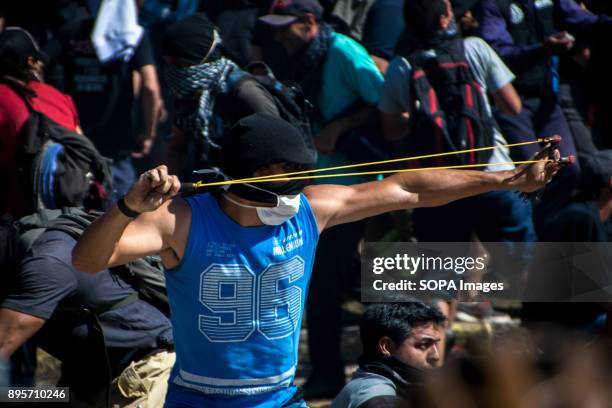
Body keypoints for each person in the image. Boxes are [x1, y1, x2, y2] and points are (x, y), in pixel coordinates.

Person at [72, 112, 561, 407]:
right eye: (283, 174)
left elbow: (407, 188)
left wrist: (505, 180)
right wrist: (128, 207)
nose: (296, 186)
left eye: (300, 173)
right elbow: (88, 259)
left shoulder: (312, 209)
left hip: (282, 398)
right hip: (199, 399)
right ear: (248, 175)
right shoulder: (182, 221)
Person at [258, 0, 386, 395]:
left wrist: (340, 126)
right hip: (316, 184)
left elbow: (385, 103)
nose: (277, 35)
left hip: (352, 185)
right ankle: (402, 325)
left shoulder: (344, 52)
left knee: (322, 284)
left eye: (285, 27)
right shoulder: (298, 56)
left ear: (310, 22)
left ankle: (329, 375)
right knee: (343, 278)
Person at [379, 0, 536, 249]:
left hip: (439, 187)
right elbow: (512, 106)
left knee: (443, 272)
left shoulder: (402, 66)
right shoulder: (475, 48)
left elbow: (391, 130)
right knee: (517, 265)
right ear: (444, 20)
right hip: (494, 175)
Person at [0, 222, 175, 407]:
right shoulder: (16, 255)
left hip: (141, 370)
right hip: (85, 379)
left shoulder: (47, 264)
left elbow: (4, 342)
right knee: (17, 395)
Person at [474, 0, 612, 220]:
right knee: (533, 175)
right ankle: (528, 236)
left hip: (547, 99)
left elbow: (579, 19)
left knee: (567, 168)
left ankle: (545, 229)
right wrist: (541, 49)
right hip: (512, 101)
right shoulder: (492, 5)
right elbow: (497, 52)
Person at [58, 3, 163, 200]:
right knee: (124, 212)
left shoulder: (70, 31)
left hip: (74, 137)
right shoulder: (133, 36)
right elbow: (151, 86)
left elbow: (41, 66)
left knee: (75, 209)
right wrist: (149, 133)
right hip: (116, 142)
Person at [162, 13, 280, 176]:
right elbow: (177, 148)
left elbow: (277, 154)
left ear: (201, 58)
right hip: (206, 190)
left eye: (180, 64)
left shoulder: (246, 93)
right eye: (168, 65)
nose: (173, 72)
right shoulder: (190, 93)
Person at [0, 27, 81, 217]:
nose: (42, 66)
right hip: (68, 211)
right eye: (39, 60)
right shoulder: (59, 97)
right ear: (30, 62)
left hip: (14, 212)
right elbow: (80, 142)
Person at [332, 302, 447, 408]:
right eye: (424, 345)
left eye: (435, 344)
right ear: (386, 347)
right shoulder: (380, 400)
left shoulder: (380, 385)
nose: (436, 356)